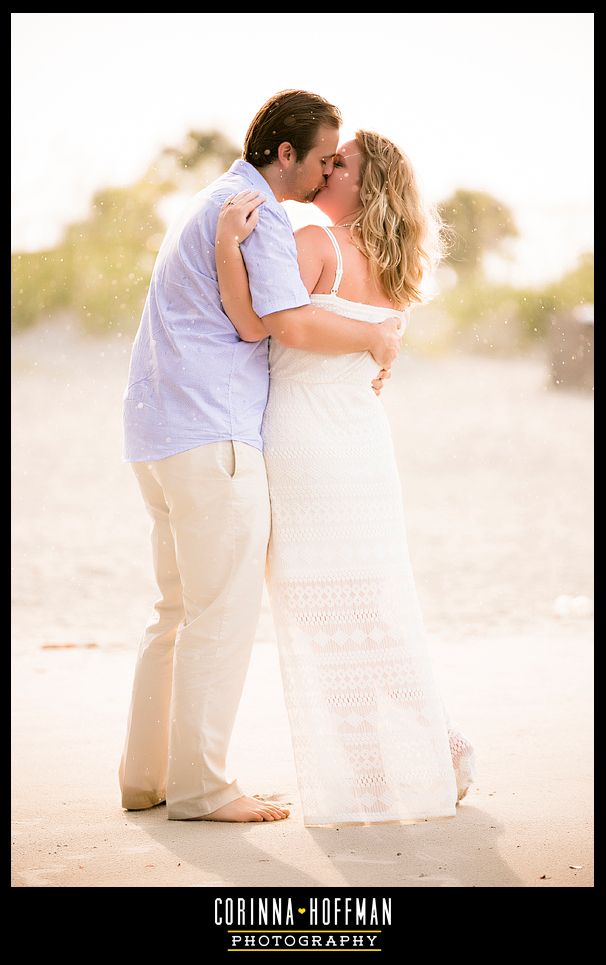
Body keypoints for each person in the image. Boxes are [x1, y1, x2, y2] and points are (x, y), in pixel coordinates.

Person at [117, 90, 403, 823]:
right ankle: (203, 789)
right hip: (215, 437)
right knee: (220, 614)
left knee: (175, 610)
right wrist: (375, 336)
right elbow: (277, 323)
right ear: (286, 154)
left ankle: (145, 777)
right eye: (321, 159)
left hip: (159, 435)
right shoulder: (259, 216)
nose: (325, 172)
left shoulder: (213, 197)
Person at [215, 129, 477, 826]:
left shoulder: (315, 244)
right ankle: (435, 747)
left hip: (305, 440)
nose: (328, 170)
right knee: (372, 608)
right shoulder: (398, 267)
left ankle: (368, 772)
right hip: (362, 444)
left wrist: (222, 249)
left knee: (322, 611)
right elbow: (371, 361)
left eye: (342, 164)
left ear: (367, 186)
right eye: (328, 160)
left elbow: (264, 326)